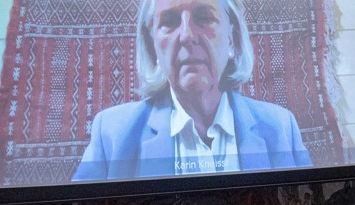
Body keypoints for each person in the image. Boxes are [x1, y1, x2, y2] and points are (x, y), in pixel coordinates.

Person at [72, 0, 311, 181]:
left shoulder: (280, 128)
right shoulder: (112, 134)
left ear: (233, 39)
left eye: (204, 17)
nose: (186, 35)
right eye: (170, 22)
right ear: (152, 46)